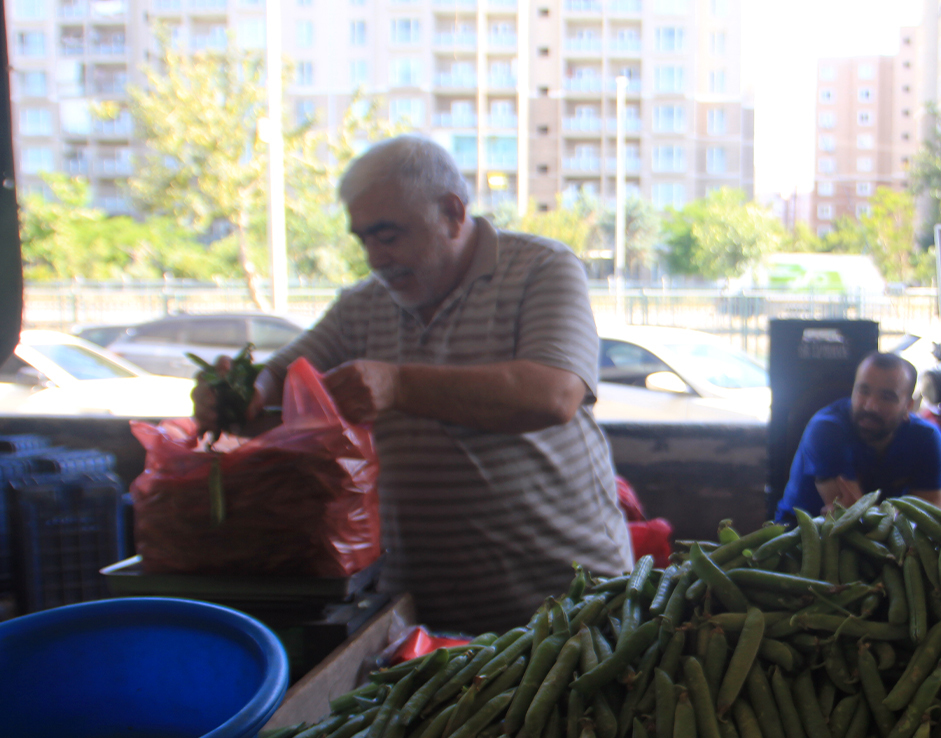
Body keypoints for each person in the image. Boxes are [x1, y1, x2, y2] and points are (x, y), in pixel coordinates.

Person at [193, 135, 633, 633]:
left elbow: (553, 395)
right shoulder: (362, 306)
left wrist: (399, 386)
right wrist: (240, 391)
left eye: (388, 235)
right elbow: (279, 372)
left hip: (570, 598)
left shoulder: (543, 268)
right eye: (364, 240)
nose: (375, 258)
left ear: (451, 212)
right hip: (422, 609)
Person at [774, 353, 941, 524]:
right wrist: (900, 518)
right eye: (863, 391)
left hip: (885, 544)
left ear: (908, 406)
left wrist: (890, 519)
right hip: (799, 536)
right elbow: (853, 516)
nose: (870, 405)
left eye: (887, 397)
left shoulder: (926, 438)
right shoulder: (827, 429)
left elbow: (931, 516)